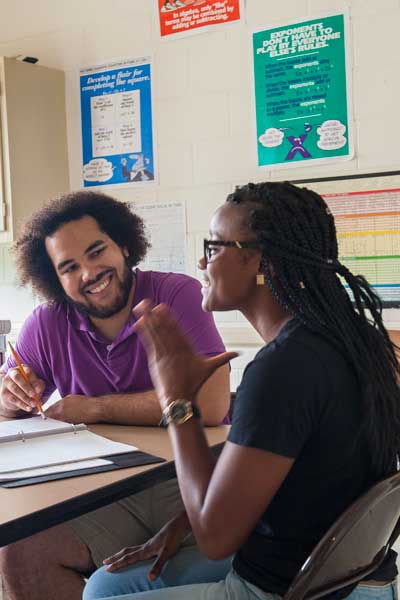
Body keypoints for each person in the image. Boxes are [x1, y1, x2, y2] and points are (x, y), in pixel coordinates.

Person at [84, 181, 400, 600]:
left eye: (213, 248)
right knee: (108, 582)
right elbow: (298, 476)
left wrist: (177, 400)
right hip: (355, 575)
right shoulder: (355, 338)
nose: (202, 260)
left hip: (288, 589)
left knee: (98, 597)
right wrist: (180, 523)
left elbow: (215, 538)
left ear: (260, 261)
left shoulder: (283, 369)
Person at [0, 191, 231, 600]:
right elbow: (7, 410)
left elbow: (211, 406)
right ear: (55, 279)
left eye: (96, 252)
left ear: (124, 245)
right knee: (20, 555)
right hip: (103, 491)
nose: (89, 273)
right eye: (69, 267)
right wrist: (10, 397)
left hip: (191, 485)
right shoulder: (46, 322)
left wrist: (93, 407)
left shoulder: (176, 295)